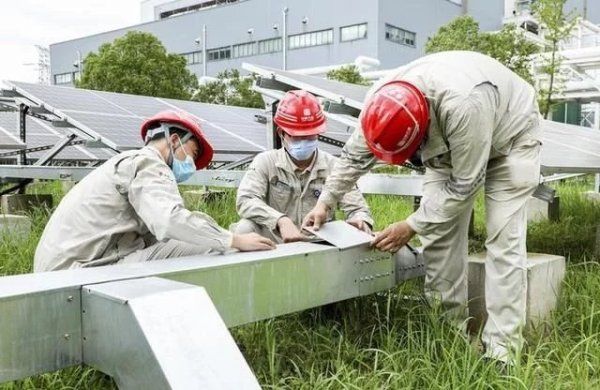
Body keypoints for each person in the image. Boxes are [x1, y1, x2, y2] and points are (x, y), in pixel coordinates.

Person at [303, 51, 542, 364]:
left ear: (421, 131)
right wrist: (325, 202)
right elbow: (352, 158)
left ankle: (501, 353)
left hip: (511, 136)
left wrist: (411, 225)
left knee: (503, 241)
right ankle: (450, 337)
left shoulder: (463, 105)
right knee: (439, 240)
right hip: (449, 144)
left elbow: (465, 184)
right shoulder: (381, 105)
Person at [34, 110, 275, 272]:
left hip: (66, 265)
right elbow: (169, 220)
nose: (191, 165)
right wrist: (234, 239)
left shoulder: (129, 162)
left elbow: (160, 232)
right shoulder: (148, 163)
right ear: (173, 141)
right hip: (81, 269)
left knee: (186, 242)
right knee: (215, 249)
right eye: (192, 154)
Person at [232, 90, 373, 243]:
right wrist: (280, 220)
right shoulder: (266, 162)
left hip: (319, 243)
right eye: (298, 136)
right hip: (275, 243)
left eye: (310, 135)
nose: (304, 141)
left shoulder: (334, 167)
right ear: (281, 133)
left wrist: (361, 222)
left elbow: (358, 209)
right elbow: (246, 200)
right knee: (243, 228)